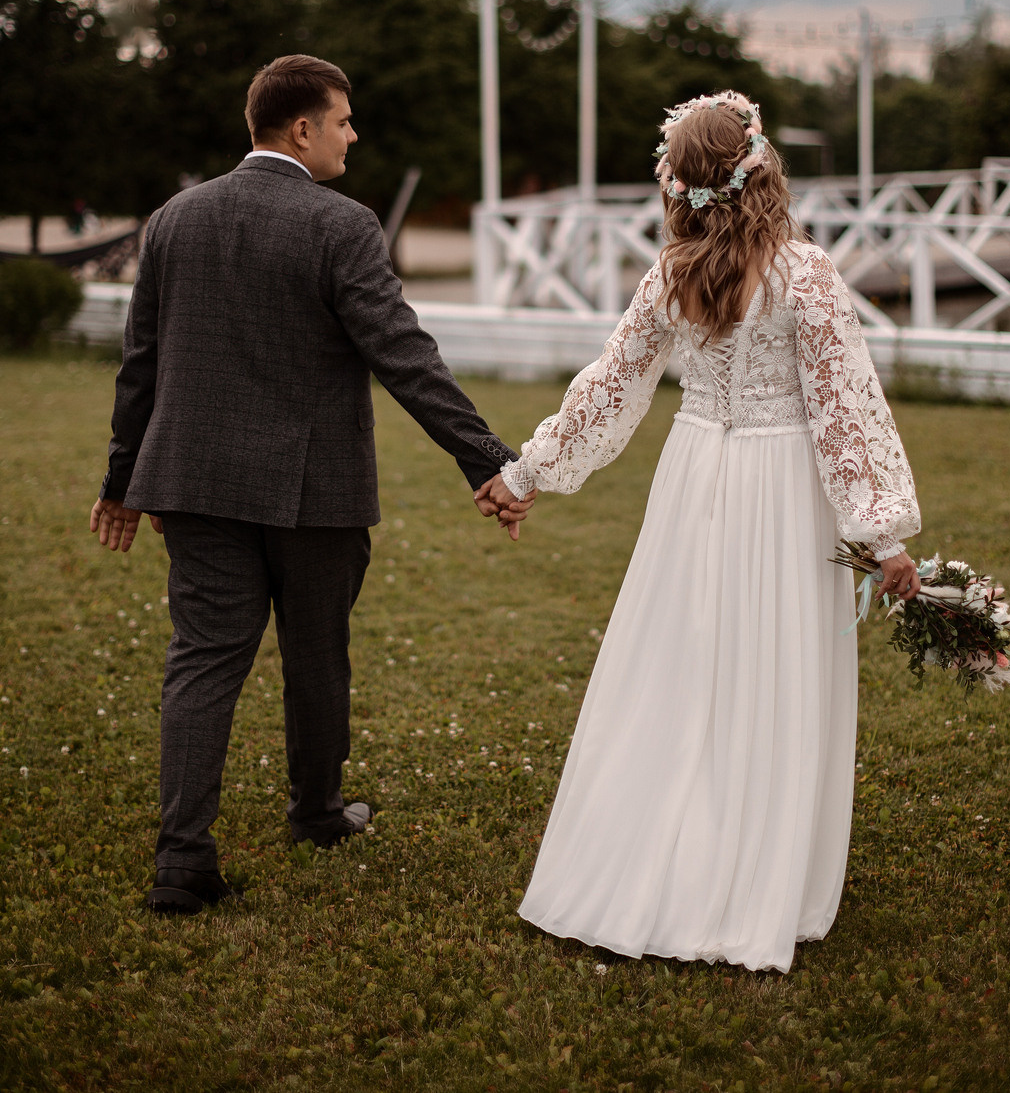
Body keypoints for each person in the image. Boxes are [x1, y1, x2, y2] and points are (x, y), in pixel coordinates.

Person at [476, 90, 921, 973]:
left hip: (695, 479)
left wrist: (525, 473)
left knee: (683, 662)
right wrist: (882, 533)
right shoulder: (806, 274)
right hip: (781, 483)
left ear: (680, 183)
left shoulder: (671, 273)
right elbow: (842, 413)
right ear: (763, 169)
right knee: (771, 663)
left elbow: (612, 385)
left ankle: (659, 857)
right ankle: (754, 871)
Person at [91, 54, 530, 916]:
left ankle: (182, 862)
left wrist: (122, 480)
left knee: (202, 663)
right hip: (312, 491)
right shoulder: (343, 224)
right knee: (316, 655)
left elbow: (138, 363)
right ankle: (318, 815)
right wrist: (487, 459)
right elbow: (403, 354)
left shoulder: (175, 218)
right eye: (343, 119)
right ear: (302, 129)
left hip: (191, 481)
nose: (352, 134)